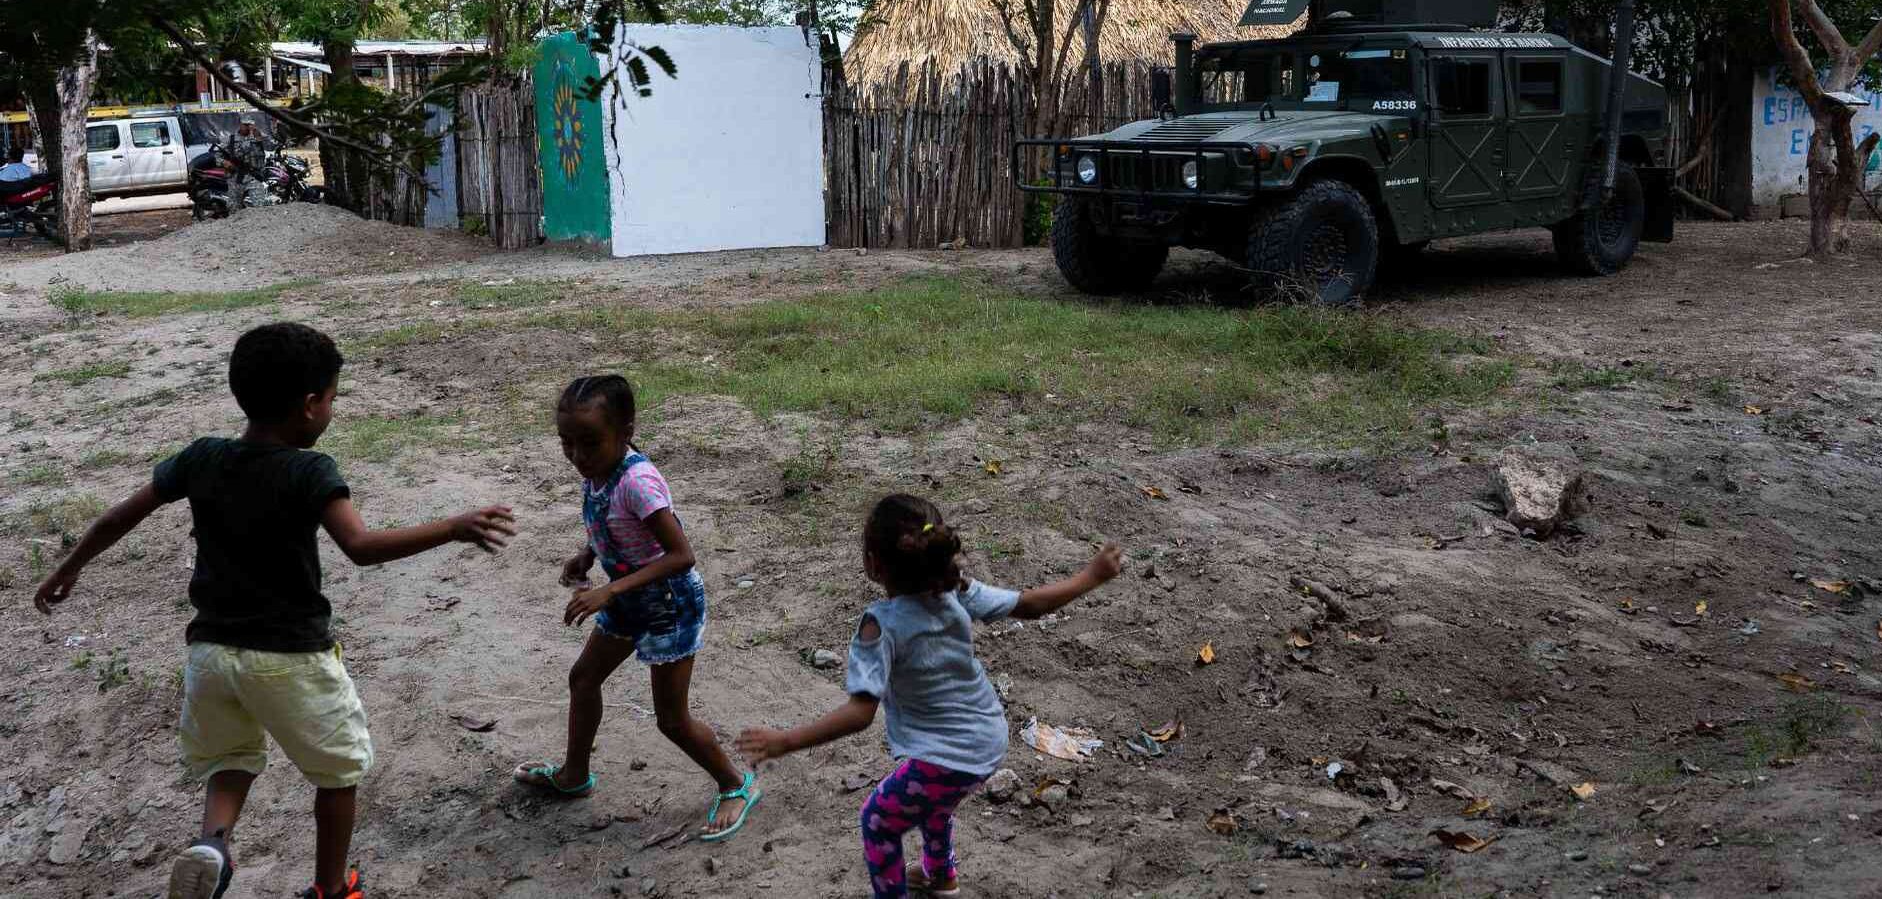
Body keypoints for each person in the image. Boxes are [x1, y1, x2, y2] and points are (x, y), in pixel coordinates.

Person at [32, 322, 516, 899]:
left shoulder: (202, 457)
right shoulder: (310, 471)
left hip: (211, 654)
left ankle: (213, 843)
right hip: (291, 657)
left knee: (231, 756)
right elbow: (360, 548)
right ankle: (331, 889)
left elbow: (119, 516)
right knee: (339, 773)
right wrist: (451, 527)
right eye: (333, 398)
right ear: (311, 406)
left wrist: (70, 566)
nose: (332, 409)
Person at [737, 495, 1124, 898]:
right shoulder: (957, 590)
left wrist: (787, 740)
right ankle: (941, 876)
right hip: (988, 735)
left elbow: (860, 712)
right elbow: (1030, 605)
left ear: (873, 564)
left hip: (948, 753)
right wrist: (1091, 576)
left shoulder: (878, 626)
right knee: (934, 805)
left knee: (877, 821)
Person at [511, 375, 761, 842]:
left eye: (589, 443)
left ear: (625, 432)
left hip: (669, 606)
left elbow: (681, 555)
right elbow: (613, 523)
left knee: (671, 719)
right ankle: (574, 775)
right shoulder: (601, 471)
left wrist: (608, 590)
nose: (578, 456)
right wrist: (588, 555)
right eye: (567, 443)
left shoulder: (638, 482)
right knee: (583, 678)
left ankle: (735, 783)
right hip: (629, 598)